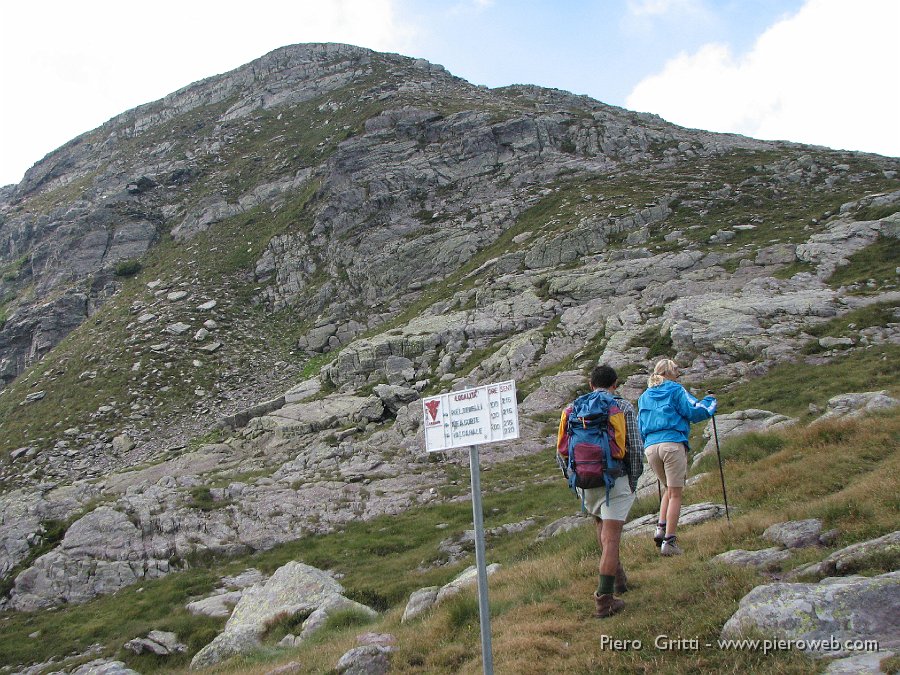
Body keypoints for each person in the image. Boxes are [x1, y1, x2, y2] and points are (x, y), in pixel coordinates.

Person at [571, 364, 644, 618]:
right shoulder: (622, 407)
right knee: (612, 539)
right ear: (615, 384)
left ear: (591, 384)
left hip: (586, 480)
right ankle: (604, 601)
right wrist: (633, 479)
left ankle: (618, 580)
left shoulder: (574, 408)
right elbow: (634, 446)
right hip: (616, 478)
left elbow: (561, 450)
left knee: (601, 526)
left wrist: (575, 479)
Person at [638, 358, 716, 556]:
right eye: (676, 371)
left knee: (668, 489)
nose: (678, 374)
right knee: (676, 493)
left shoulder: (644, 396)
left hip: (651, 447)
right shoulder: (675, 389)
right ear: (668, 372)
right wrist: (710, 402)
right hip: (672, 443)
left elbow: (640, 424)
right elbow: (694, 411)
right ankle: (670, 542)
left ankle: (660, 528)